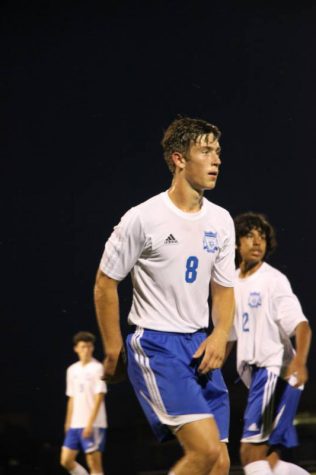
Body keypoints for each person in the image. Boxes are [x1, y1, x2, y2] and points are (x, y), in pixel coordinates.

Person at [94, 116, 236, 475]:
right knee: (203, 452)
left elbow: (223, 289)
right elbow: (105, 283)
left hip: (200, 347)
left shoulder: (221, 221)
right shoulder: (142, 218)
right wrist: (113, 350)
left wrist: (220, 334)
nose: (216, 160)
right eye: (206, 151)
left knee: (220, 463)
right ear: (179, 159)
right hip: (157, 346)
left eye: (218, 151)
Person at [228, 212, 312, 475]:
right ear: (236, 243)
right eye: (250, 236)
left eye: (262, 237)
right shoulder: (229, 283)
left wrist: (300, 361)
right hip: (258, 377)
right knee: (269, 457)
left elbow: (302, 325)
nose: (257, 242)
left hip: (277, 372)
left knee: (250, 453)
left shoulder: (273, 280)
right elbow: (227, 335)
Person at [60, 331, 107, 475]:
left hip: (94, 424)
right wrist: (68, 422)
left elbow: (100, 397)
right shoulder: (72, 370)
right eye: (83, 346)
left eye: (89, 346)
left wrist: (89, 423)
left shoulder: (97, 368)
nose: (86, 349)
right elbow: (72, 397)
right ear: (76, 348)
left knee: (94, 464)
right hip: (75, 424)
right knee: (66, 460)